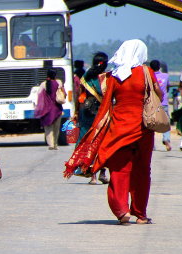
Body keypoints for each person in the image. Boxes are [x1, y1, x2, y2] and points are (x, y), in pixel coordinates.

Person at [64, 39, 163, 225]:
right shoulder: (146, 72)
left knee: (119, 170)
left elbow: (106, 102)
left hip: (118, 128)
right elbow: (159, 95)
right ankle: (140, 214)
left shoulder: (113, 76)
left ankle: (122, 211)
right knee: (142, 171)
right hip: (143, 129)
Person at [75, 52, 109, 184]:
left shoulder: (86, 76)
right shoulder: (107, 78)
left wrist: (76, 112)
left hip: (86, 112)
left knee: (88, 142)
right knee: (103, 142)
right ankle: (102, 173)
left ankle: (92, 175)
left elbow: (79, 94)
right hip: (102, 112)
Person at [34, 69, 65, 150]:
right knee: (56, 128)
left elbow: (39, 94)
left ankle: (50, 144)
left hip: (47, 110)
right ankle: (55, 144)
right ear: (55, 75)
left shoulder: (43, 84)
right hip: (57, 109)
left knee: (48, 128)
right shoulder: (59, 82)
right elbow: (64, 93)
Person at [150, 60, 172, 151]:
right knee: (165, 122)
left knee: (151, 124)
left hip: (152, 104)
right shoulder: (165, 76)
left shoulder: (149, 77)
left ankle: (152, 144)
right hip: (163, 103)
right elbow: (167, 87)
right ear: (159, 67)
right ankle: (166, 139)